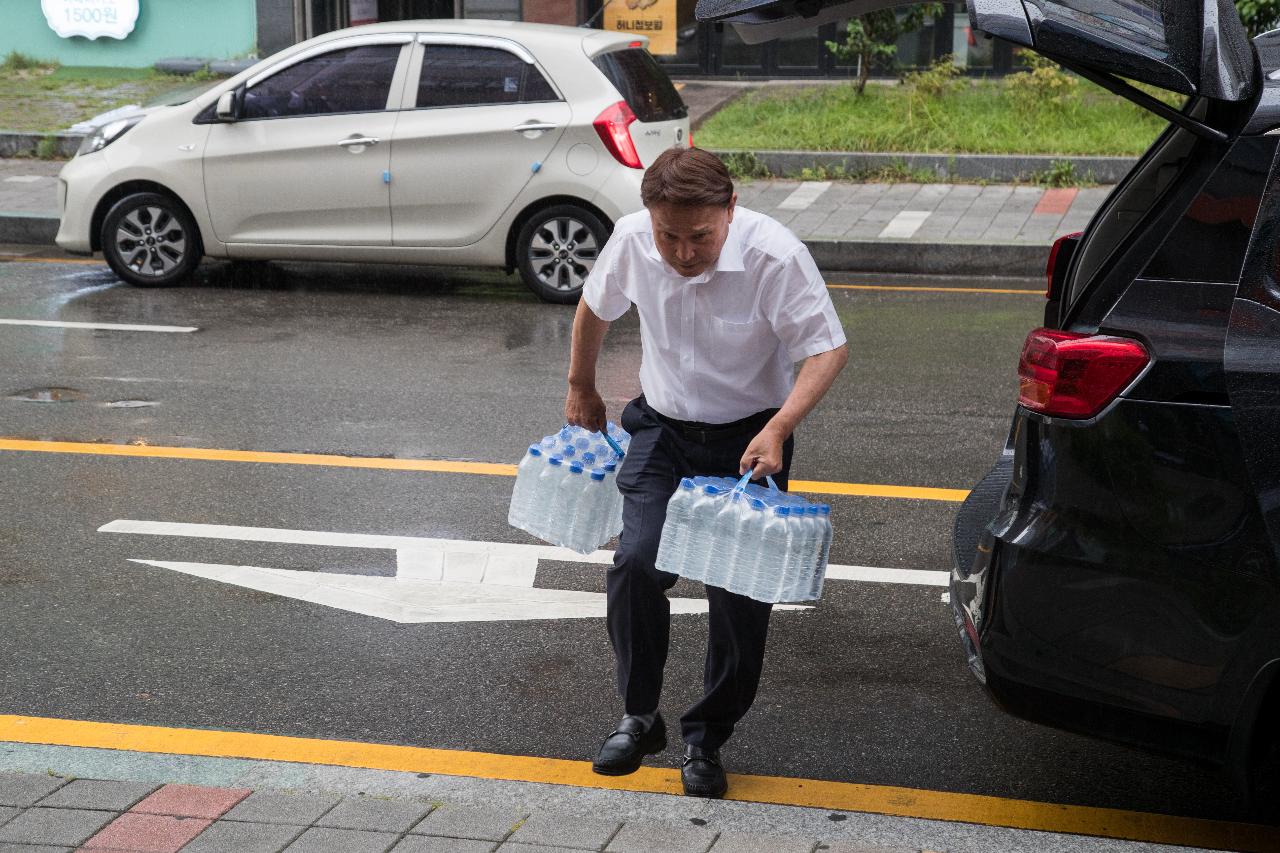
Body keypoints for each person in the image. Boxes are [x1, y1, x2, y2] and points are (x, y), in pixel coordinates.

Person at [564, 146, 848, 798]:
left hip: (750, 442)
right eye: (670, 235)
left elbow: (827, 348)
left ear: (730, 211)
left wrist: (779, 428)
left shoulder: (775, 257)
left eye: (700, 236)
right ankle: (639, 714)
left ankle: (706, 737)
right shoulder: (634, 240)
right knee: (635, 562)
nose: (685, 252)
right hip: (661, 431)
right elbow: (594, 306)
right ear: (650, 219)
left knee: (738, 599)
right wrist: (581, 383)